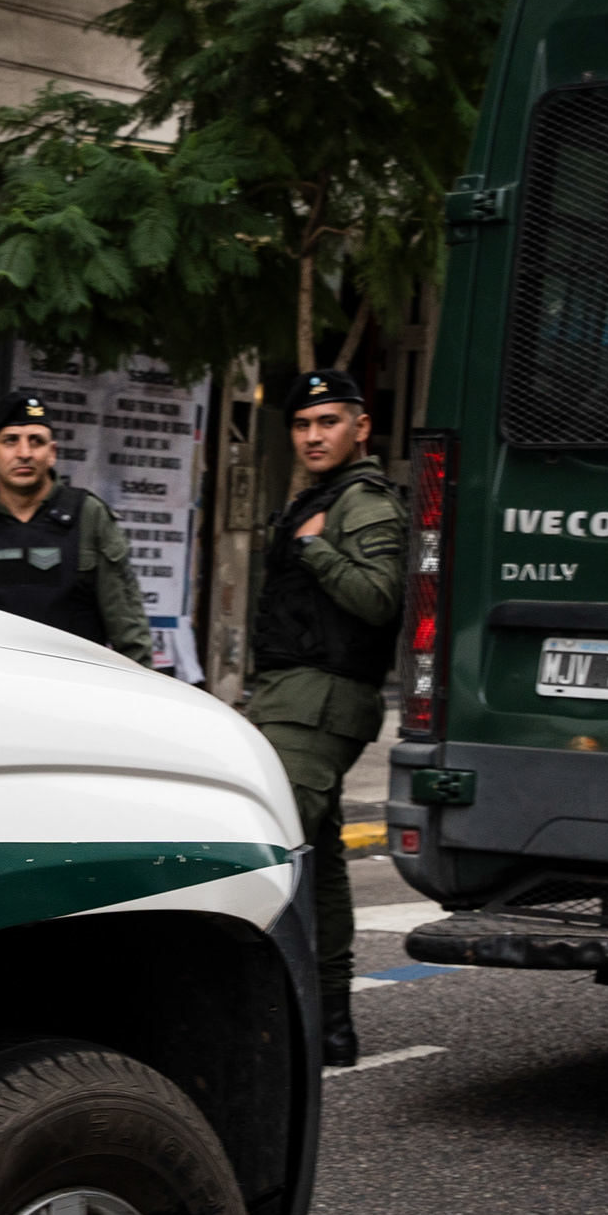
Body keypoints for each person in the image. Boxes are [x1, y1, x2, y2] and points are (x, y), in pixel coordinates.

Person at [247, 366, 407, 1068]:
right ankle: (331, 1025)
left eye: (328, 422)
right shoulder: (320, 497)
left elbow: (380, 599)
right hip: (294, 700)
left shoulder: (363, 504)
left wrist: (315, 547)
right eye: (303, 426)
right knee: (325, 867)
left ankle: (259, 1021)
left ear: (360, 427)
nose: (313, 436)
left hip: (321, 705)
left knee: (265, 856)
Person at [0, 391, 155, 664]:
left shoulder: (88, 517)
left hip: (74, 690)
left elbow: (129, 630)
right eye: (10, 441)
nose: (24, 453)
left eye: (36, 441)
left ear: (52, 453)